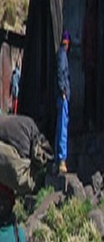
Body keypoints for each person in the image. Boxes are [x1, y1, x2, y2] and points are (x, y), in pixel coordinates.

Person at [56, 30, 71, 174]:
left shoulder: (61, 54)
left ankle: (58, 160)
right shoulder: (62, 55)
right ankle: (61, 160)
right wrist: (63, 91)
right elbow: (61, 74)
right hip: (63, 96)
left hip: (62, 95)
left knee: (61, 126)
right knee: (62, 128)